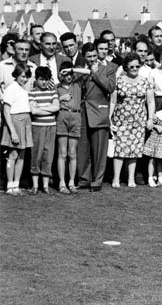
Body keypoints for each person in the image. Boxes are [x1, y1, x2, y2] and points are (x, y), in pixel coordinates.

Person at [110, 53, 155, 188]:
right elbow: (113, 101)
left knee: (134, 150)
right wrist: (109, 118)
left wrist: (150, 119)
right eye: (131, 67)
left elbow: (151, 101)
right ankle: (116, 178)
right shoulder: (119, 80)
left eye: (137, 66)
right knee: (120, 149)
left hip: (139, 119)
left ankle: (131, 179)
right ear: (126, 67)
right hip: (121, 119)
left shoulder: (145, 81)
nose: (135, 69)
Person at [76, 43, 116, 192]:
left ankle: (97, 180)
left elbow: (110, 87)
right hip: (82, 112)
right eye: (89, 57)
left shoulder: (109, 69)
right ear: (84, 57)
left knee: (99, 150)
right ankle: (84, 179)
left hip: (99, 113)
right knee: (83, 148)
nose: (92, 59)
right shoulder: (79, 69)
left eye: (94, 56)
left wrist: (95, 73)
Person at [27, 67, 60, 195]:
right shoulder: (32, 92)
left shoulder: (52, 92)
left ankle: (45, 186)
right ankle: (35, 186)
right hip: (37, 127)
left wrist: (41, 108)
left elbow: (56, 107)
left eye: (46, 80)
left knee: (48, 155)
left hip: (51, 127)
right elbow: (33, 111)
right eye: (41, 79)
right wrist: (49, 108)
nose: (44, 82)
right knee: (36, 154)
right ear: (36, 79)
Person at [2, 63, 33, 196]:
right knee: (13, 155)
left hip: (26, 121)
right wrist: (13, 131)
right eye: (22, 76)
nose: (25, 79)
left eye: (27, 77)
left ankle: (16, 185)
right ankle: (9, 186)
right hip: (14, 123)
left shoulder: (24, 88)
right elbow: (6, 112)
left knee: (21, 155)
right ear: (16, 75)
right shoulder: (11, 89)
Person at [56, 62, 82, 195]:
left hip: (76, 116)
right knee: (63, 153)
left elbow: (88, 72)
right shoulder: (57, 87)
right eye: (65, 74)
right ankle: (62, 182)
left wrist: (71, 69)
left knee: (72, 153)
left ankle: (71, 182)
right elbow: (51, 101)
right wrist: (61, 98)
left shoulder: (77, 84)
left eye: (70, 74)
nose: (69, 76)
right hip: (62, 116)